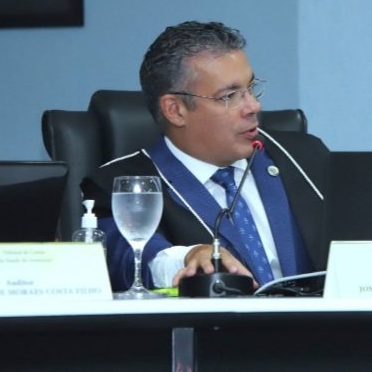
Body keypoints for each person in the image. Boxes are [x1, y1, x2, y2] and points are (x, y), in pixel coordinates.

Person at [81, 21, 330, 291]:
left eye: (250, 88)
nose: (253, 106)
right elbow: (127, 259)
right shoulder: (122, 185)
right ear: (175, 110)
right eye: (229, 96)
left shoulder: (304, 156)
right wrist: (186, 258)